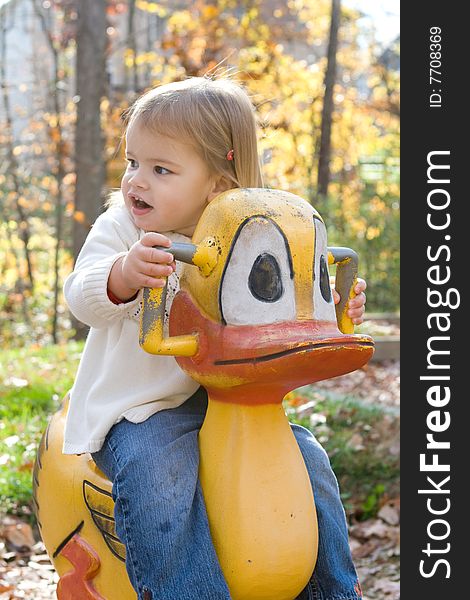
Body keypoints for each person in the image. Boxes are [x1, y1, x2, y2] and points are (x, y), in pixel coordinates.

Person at [63, 76, 367, 600]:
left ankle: (335, 592)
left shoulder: (249, 234)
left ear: (218, 184)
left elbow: (286, 309)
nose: (137, 181)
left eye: (161, 169)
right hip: (140, 411)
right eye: (133, 163)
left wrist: (336, 310)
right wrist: (120, 275)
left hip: (234, 405)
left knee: (309, 461)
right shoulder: (121, 229)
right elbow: (79, 295)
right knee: (161, 472)